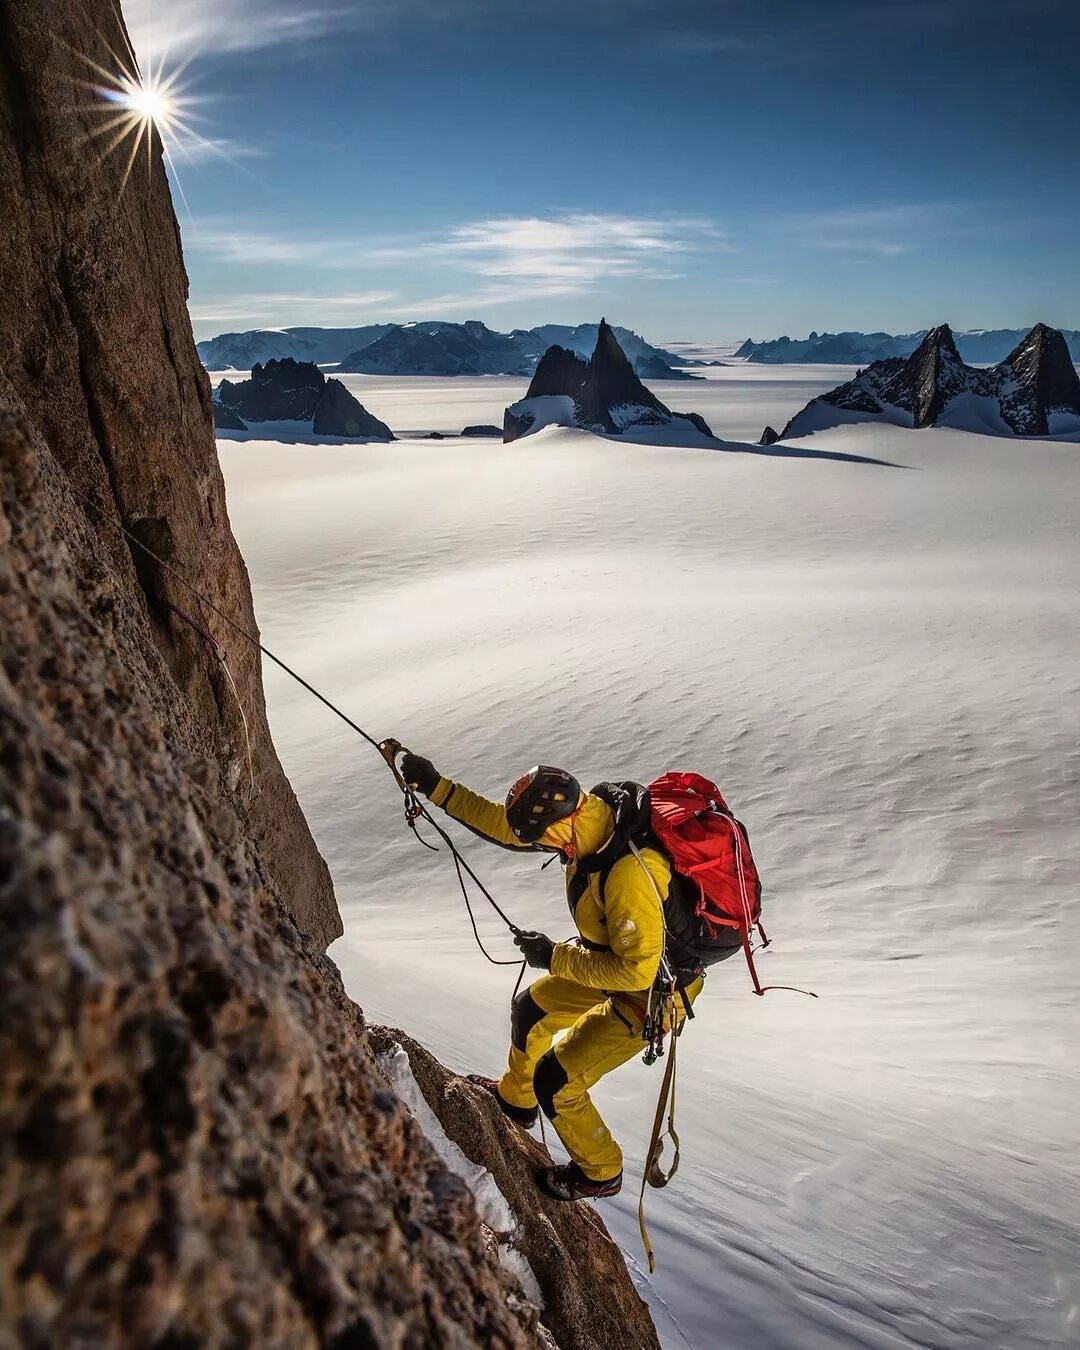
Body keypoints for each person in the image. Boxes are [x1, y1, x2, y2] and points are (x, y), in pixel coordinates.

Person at [400, 754, 704, 1203]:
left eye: (542, 839)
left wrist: (553, 956)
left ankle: (601, 1171)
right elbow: (508, 828)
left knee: (557, 1082)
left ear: (560, 824)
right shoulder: (588, 818)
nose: (541, 848)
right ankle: (515, 1102)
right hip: (607, 960)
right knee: (530, 1010)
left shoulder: (627, 875)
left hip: (654, 993)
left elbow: (635, 969)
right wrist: (437, 787)